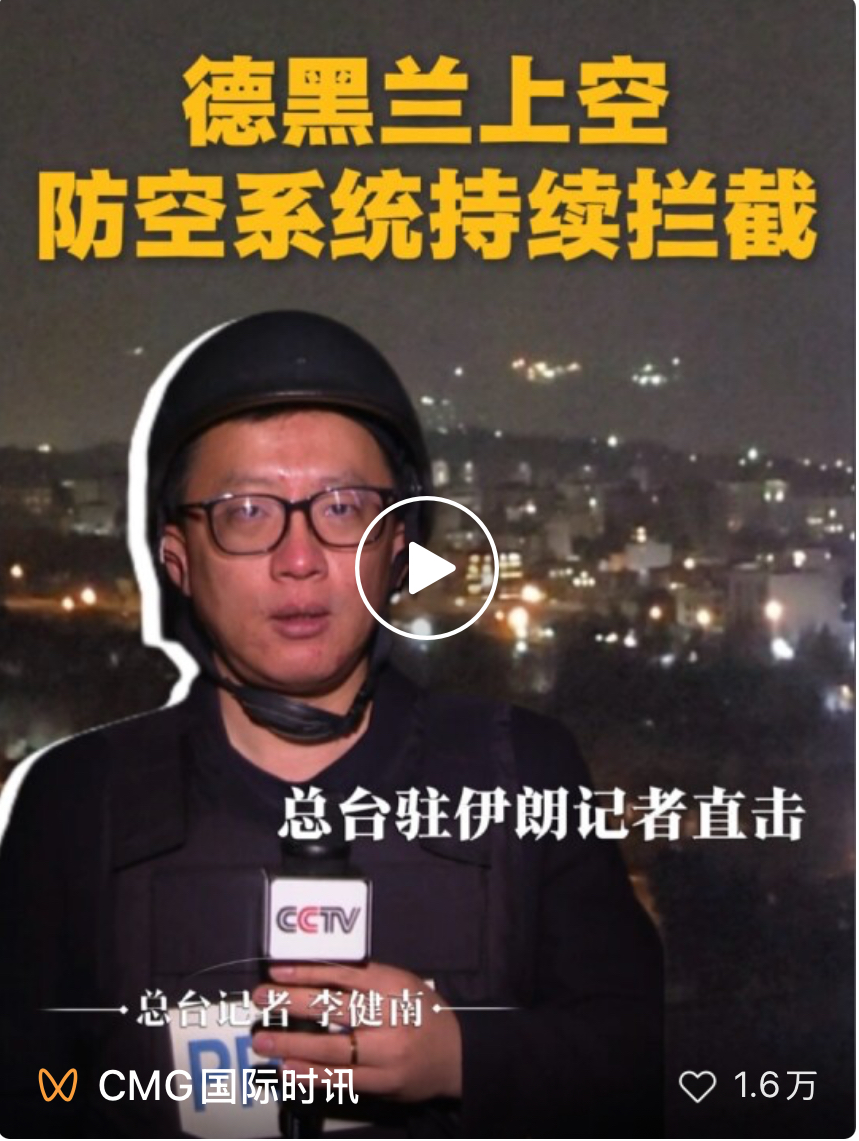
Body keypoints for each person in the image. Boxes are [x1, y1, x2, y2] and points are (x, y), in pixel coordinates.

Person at [0, 311, 663, 1139]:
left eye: (343, 507)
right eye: (247, 512)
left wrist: (462, 1057)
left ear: (397, 546)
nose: (299, 557)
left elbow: (642, 1064)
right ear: (177, 560)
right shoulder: (77, 802)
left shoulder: (521, 769)